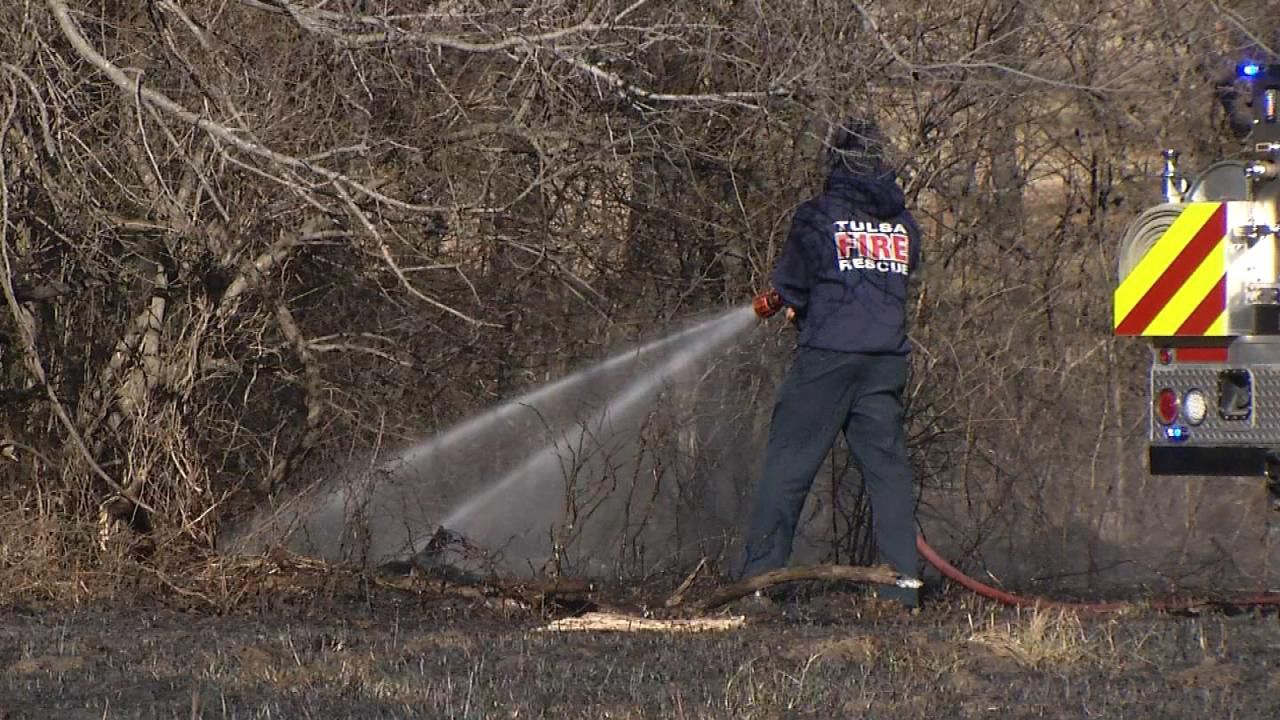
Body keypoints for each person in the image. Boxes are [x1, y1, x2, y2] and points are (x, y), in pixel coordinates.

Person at [738, 117, 923, 608]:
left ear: (836, 162)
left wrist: (792, 303)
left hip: (827, 361)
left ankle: (758, 581)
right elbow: (892, 281)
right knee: (888, 476)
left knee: (788, 466)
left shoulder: (818, 217)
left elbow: (794, 285)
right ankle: (903, 587)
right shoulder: (902, 223)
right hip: (885, 362)